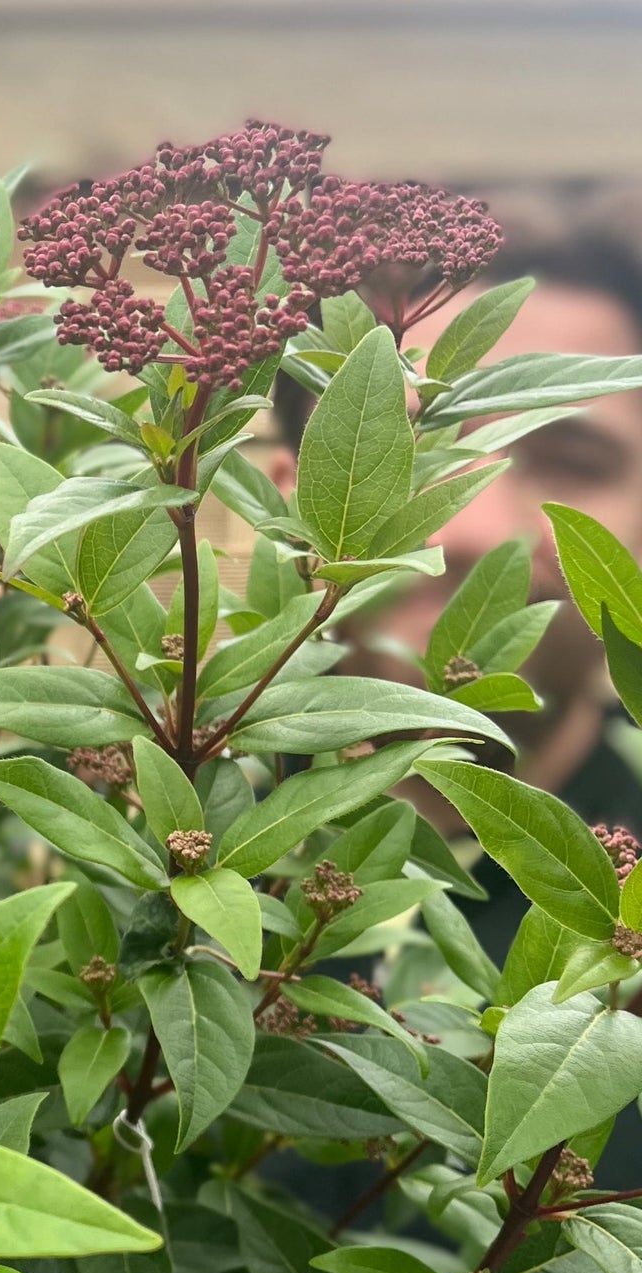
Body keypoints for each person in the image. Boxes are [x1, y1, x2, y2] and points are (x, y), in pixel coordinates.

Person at [271, 196, 642, 961]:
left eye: (567, 462)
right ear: (283, 500)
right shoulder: (133, 830)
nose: (474, 532)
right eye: (394, 453)